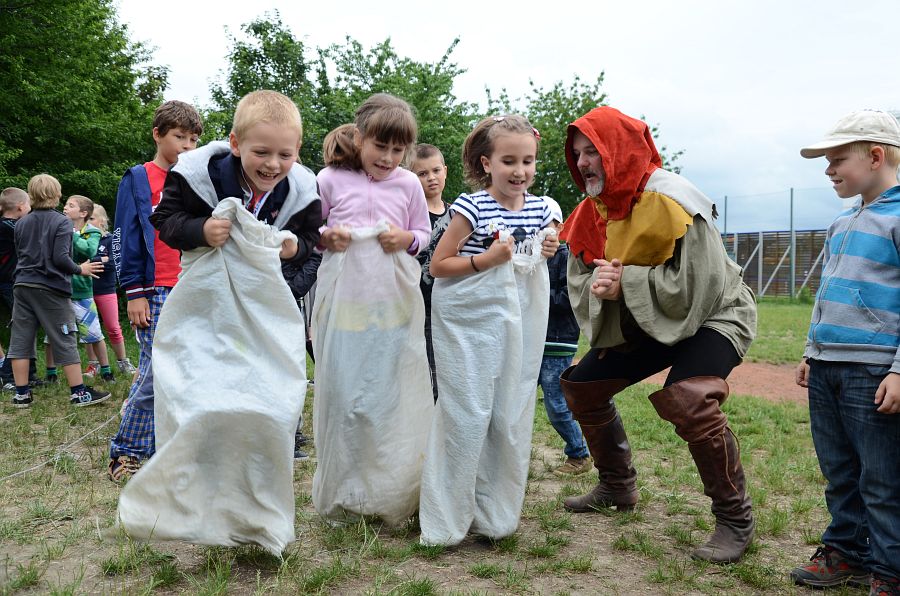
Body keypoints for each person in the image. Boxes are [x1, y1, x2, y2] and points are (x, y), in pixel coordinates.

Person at [557, 106, 756, 564]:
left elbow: (699, 286)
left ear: (618, 149)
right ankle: (616, 486)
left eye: (593, 151)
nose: (583, 162)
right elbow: (581, 281)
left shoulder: (673, 198)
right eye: (577, 153)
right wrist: (601, 286)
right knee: (583, 386)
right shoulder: (589, 213)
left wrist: (624, 282)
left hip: (715, 313)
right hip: (647, 320)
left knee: (689, 398)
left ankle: (734, 520)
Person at [418, 114, 560, 546]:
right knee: (467, 412)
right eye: (509, 161)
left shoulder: (543, 208)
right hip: (471, 323)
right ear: (487, 163)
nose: (520, 171)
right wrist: (488, 261)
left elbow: (539, 260)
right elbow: (439, 266)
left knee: (509, 413)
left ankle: (494, 514)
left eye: (528, 161)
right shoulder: (472, 207)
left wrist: (548, 246)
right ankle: (445, 519)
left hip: (519, 324)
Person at [790, 110, 900, 594]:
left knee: (882, 478)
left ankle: (890, 571)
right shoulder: (840, 223)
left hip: (873, 372)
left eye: (837, 160)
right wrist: (810, 351)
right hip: (827, 367)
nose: (828, 169)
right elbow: (826, 293)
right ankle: (847, 552)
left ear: (875, 157)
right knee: (839, 471)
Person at [312, 94, 432, 525]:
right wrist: (326, 237)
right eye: (381, 146)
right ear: (360, 138)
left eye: (398, 150)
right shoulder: (328, 179)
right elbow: (310, 231)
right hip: (345, 307)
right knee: (347, 399)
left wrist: (406, 239)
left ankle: (390, 491)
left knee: (386, 400)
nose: (389, 158)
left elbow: (424, 234)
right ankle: (346, 492)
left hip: (392, 308)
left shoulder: (409, 184)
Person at [107, 99, 202, 482]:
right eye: (179, 137)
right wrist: (134, 291)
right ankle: (126, 451)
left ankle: (166, 444)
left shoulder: (195, 178)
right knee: (158, 372)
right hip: (154, 288)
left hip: (191, 285)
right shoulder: (138, 178)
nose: (187, 146)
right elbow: (123, 236)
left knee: (176, 370)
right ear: (157, 134)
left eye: (193, 140)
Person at [7, 174, 109, 408]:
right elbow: (60, 258)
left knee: (21, 339)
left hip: (22, 285)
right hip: (50, 287)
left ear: (31, 195)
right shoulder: (62, 222)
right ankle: (79, 393)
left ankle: (21, 394)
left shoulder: (21, 223)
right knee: (64, 337)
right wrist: (81, 269)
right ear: (56, 194)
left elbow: (21, 255)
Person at [538, 196, 591, 476]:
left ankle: (579, 454)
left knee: (557, 404)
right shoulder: (530, 259)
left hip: (557, 342)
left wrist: (533, 296)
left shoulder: (566, 257)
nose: (541, 230)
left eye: (547, 224)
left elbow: (568, 298)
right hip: (531, 341)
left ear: (560, 227)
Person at [44, 195, 114, 382]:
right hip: (58, 290)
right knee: (52, 334)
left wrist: (72, 233)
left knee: (94, 333)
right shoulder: (59, 228)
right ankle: (51, 373)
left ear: (83, 213)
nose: (65, 208)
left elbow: (89, 251)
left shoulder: (92, 232)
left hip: (82, 292)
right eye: (65, 204)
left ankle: (106, 371)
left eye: (71, 205)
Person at [411, 143, 451, 402]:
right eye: (422, 173)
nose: (431, 178)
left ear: (445, 171)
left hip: (450, 308)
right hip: (418, 309)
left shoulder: (458, 216)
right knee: (424, 379)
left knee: (448, 377)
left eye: (436, 170)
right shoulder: (410, 216)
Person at [84, 204, 135, 376]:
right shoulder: (81, 240)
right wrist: (101, 259)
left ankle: (123, 362)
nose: (88, 222)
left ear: (102, 221)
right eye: (86, 219)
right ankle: (93, 365)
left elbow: (114, 263)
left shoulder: (111, 239)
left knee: (113, 327)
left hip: (106, 290)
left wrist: (91, 262)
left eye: (91, 218)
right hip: (85, 291)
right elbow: (77, 263)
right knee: (88, 329)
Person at [0, 187, 40, 388]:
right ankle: (8, 376)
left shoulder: (7, 225)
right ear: (21, 207)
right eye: (30, 206)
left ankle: (29, 374)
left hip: (12, 282)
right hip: (10, 283)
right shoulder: (13, 227)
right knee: (23, 327)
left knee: (27, 325)